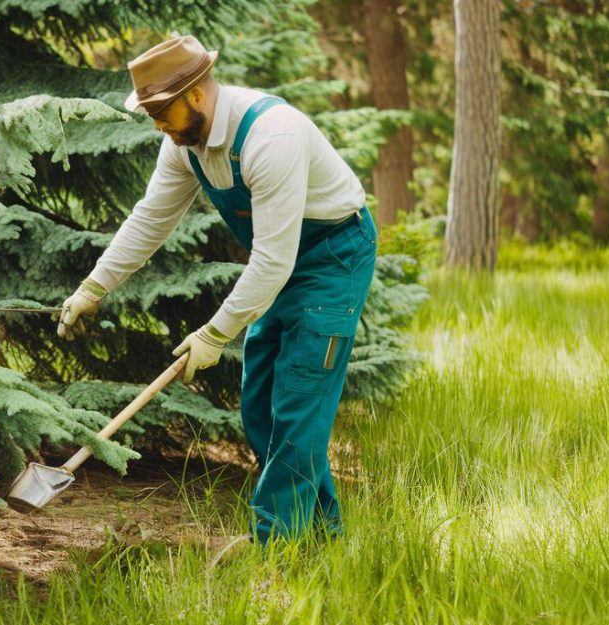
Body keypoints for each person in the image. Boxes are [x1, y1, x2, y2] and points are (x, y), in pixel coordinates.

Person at [56, 35, 378, 544]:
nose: (157, 124)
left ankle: (277, 549)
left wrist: (215, 333)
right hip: (280, 262)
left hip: (334, 255)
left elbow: (272, 258)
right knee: (259, 402)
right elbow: (151, 219)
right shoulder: (184, 146)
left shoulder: (272, 137)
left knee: (299, 400)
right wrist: (95, 285)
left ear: (197, 96)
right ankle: (322, 536)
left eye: (161, 111)